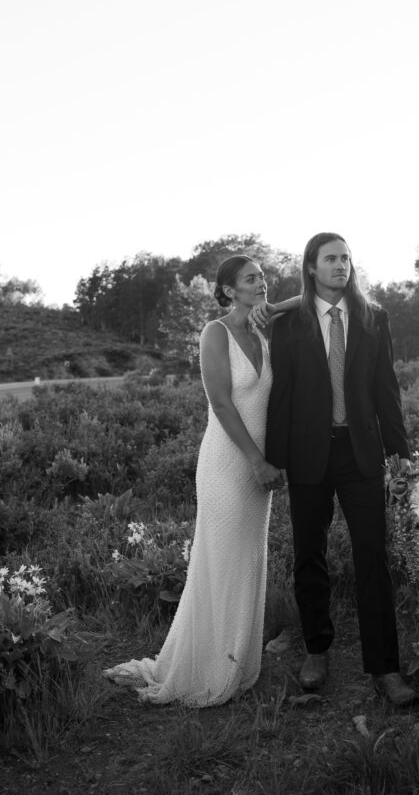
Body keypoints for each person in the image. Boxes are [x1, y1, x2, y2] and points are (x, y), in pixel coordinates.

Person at [103, 255, 292, 706]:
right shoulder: (216, 332)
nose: (262, 284)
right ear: (228, 290)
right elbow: (223, 404)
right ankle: (202, 668)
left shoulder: (263, 334)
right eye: (251, 279)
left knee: (247, 561)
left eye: (264, 277)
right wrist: (257, 462)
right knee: (221, 562)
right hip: (230, 464)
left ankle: (236, 662)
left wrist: (271, 460)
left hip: (259, 466)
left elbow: (308, 302)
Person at [258, 232, 418, 707]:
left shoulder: (373, 319)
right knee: (311, 556)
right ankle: (316, 650)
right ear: (311, 267)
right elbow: (280, 396)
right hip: (308, 454)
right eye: (330, 259)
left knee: (373, 556)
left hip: (360, 453)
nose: (341, 266)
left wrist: (400, 452)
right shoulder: (289, 325)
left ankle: (385, 667)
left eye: (346, 258)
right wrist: (274, 458)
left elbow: (387, 389)